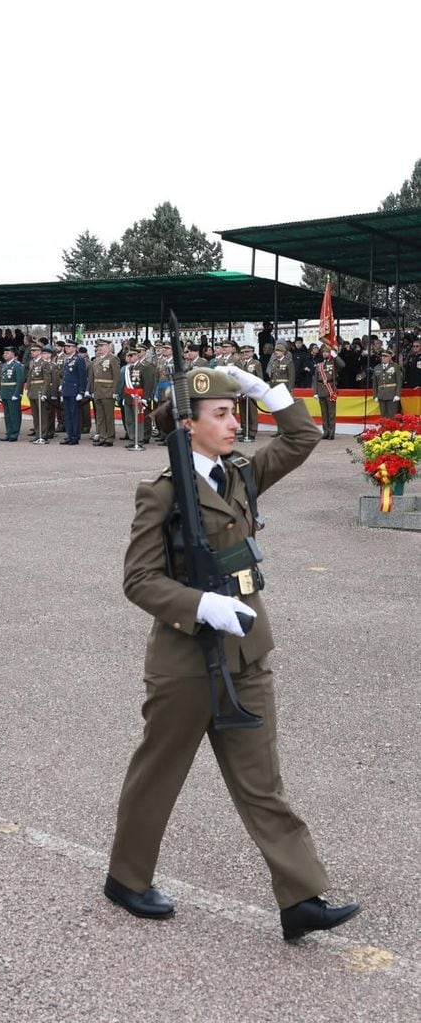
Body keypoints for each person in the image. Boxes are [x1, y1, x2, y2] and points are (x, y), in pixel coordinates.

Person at [105, 365, 361, 941]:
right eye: (219, 414)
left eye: (233, 410)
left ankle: (301, 897)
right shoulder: (164, 491)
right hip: (186, 659)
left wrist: (266, 392)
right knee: (160, 771)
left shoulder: (240, 474)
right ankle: (126, 878)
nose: (233, 422)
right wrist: (200, 605)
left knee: (261, 779)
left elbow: (301, 438)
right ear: (186, 426)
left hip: (246, 650)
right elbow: (139, 579)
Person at [89, 339, 120, 447]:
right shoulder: (96, 360)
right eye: (99, 346)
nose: (100, 348)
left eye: (102, 345)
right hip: (98, 391)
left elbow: (116, 376)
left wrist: (115, 391)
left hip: (108, 390)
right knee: (100, 416)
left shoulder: (113, 358)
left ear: (108, 346)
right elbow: (93, 377)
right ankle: (102, 436)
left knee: (108, 416)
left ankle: (109, 437)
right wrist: (92, 390)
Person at [313, 344, 345, 439]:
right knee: (324, 413)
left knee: (331, 413)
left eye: (327, 352)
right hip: (321, 390)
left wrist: (335, 356)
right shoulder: (320, 365)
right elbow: (315, 379)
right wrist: (315, 392)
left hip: (330, 389)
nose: (325, 354)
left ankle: (331, 432)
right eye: (323, 352)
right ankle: (325, 431)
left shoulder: (334, 362)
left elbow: (342, 365)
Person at [59, 338, 87, 445]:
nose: (67, 348)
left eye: (69, 346)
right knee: (67, 414)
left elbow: (82, 377)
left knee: (74, 414)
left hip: (74, 391)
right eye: (66, 346)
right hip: (67, 390)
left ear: (75, 348)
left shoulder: (79, 359)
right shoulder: (68, 359)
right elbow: (65, 376)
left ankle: (75, 436)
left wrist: (81, 391)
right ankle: (69, 435)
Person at [237, 342, 265, 442]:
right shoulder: (239, 363)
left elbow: (259, 378)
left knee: (252, 412)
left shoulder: (256, 363)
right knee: (243, 412)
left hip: (251, 391)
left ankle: (252, 432)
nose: (245, 354)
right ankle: (245, 431)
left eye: (248, 352)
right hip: (241, 391)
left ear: (252, 353)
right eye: (244, 352)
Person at [0, 346, 24, 441]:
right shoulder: (4, 365)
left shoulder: (17, 365)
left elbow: (19, 381)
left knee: (14, 414)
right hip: (5, 392)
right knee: (7, 414)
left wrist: (17, 393)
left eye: (7, 353)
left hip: (13, 392)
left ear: (13, 354)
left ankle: (14, 433)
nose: (5, 355)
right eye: (4, 353)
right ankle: (9, 432)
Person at [372, 350, 402, 418]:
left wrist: (397, 394)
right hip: (381, 394)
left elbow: (399, 381)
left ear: (390, 357)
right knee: (383, 415)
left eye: (385, 356)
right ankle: (384, 428)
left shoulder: (395, 366)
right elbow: (375, 384)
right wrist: (375, 395)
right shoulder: (377, 368)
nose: (383, 357)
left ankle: (392, 428)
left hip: (392, 394)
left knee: (392, 415)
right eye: (382, 356)